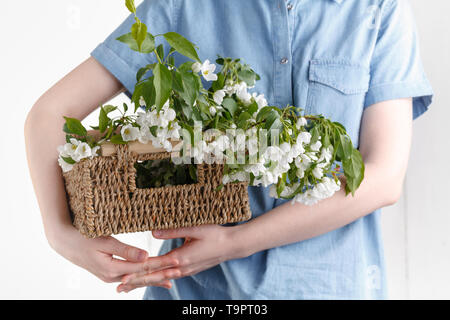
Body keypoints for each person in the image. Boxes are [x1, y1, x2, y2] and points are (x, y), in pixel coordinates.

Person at [24, 0, 433, 299]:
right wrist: (62, 235)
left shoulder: (377, 10)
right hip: (195, 296)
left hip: (329, 288)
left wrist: (235, 243)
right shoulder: (184, 7)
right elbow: (49, 116)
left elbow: (382, 177)